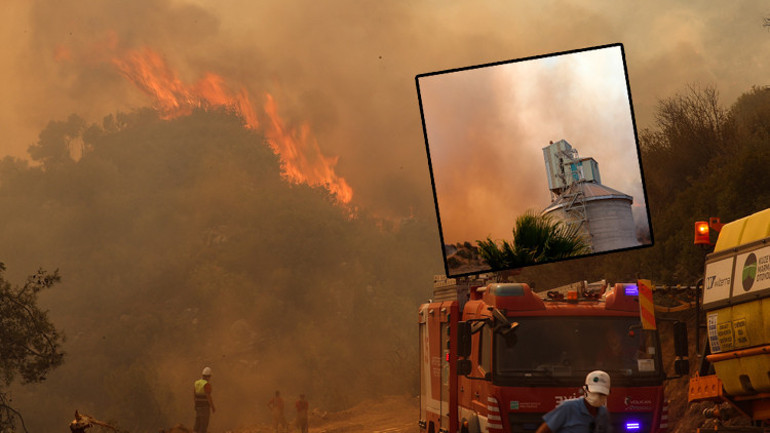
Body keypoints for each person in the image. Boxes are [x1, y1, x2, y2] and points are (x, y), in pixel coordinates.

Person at [535, 370, 611, 433]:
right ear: (585, 390)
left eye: (601, 394)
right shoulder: (568, 407)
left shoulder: (603, 413)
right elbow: (543, 431)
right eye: (594, 393)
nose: (597, 397)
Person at [193, 367, 216, 433]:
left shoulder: (196, 383)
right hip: (205, 407)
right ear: (208, 376)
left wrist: (195, 404)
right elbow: (208, 396)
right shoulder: (206, 384)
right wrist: (212, 407)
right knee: (204, 423)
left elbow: (194, 394)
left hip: (198, 406)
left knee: (197, 422)